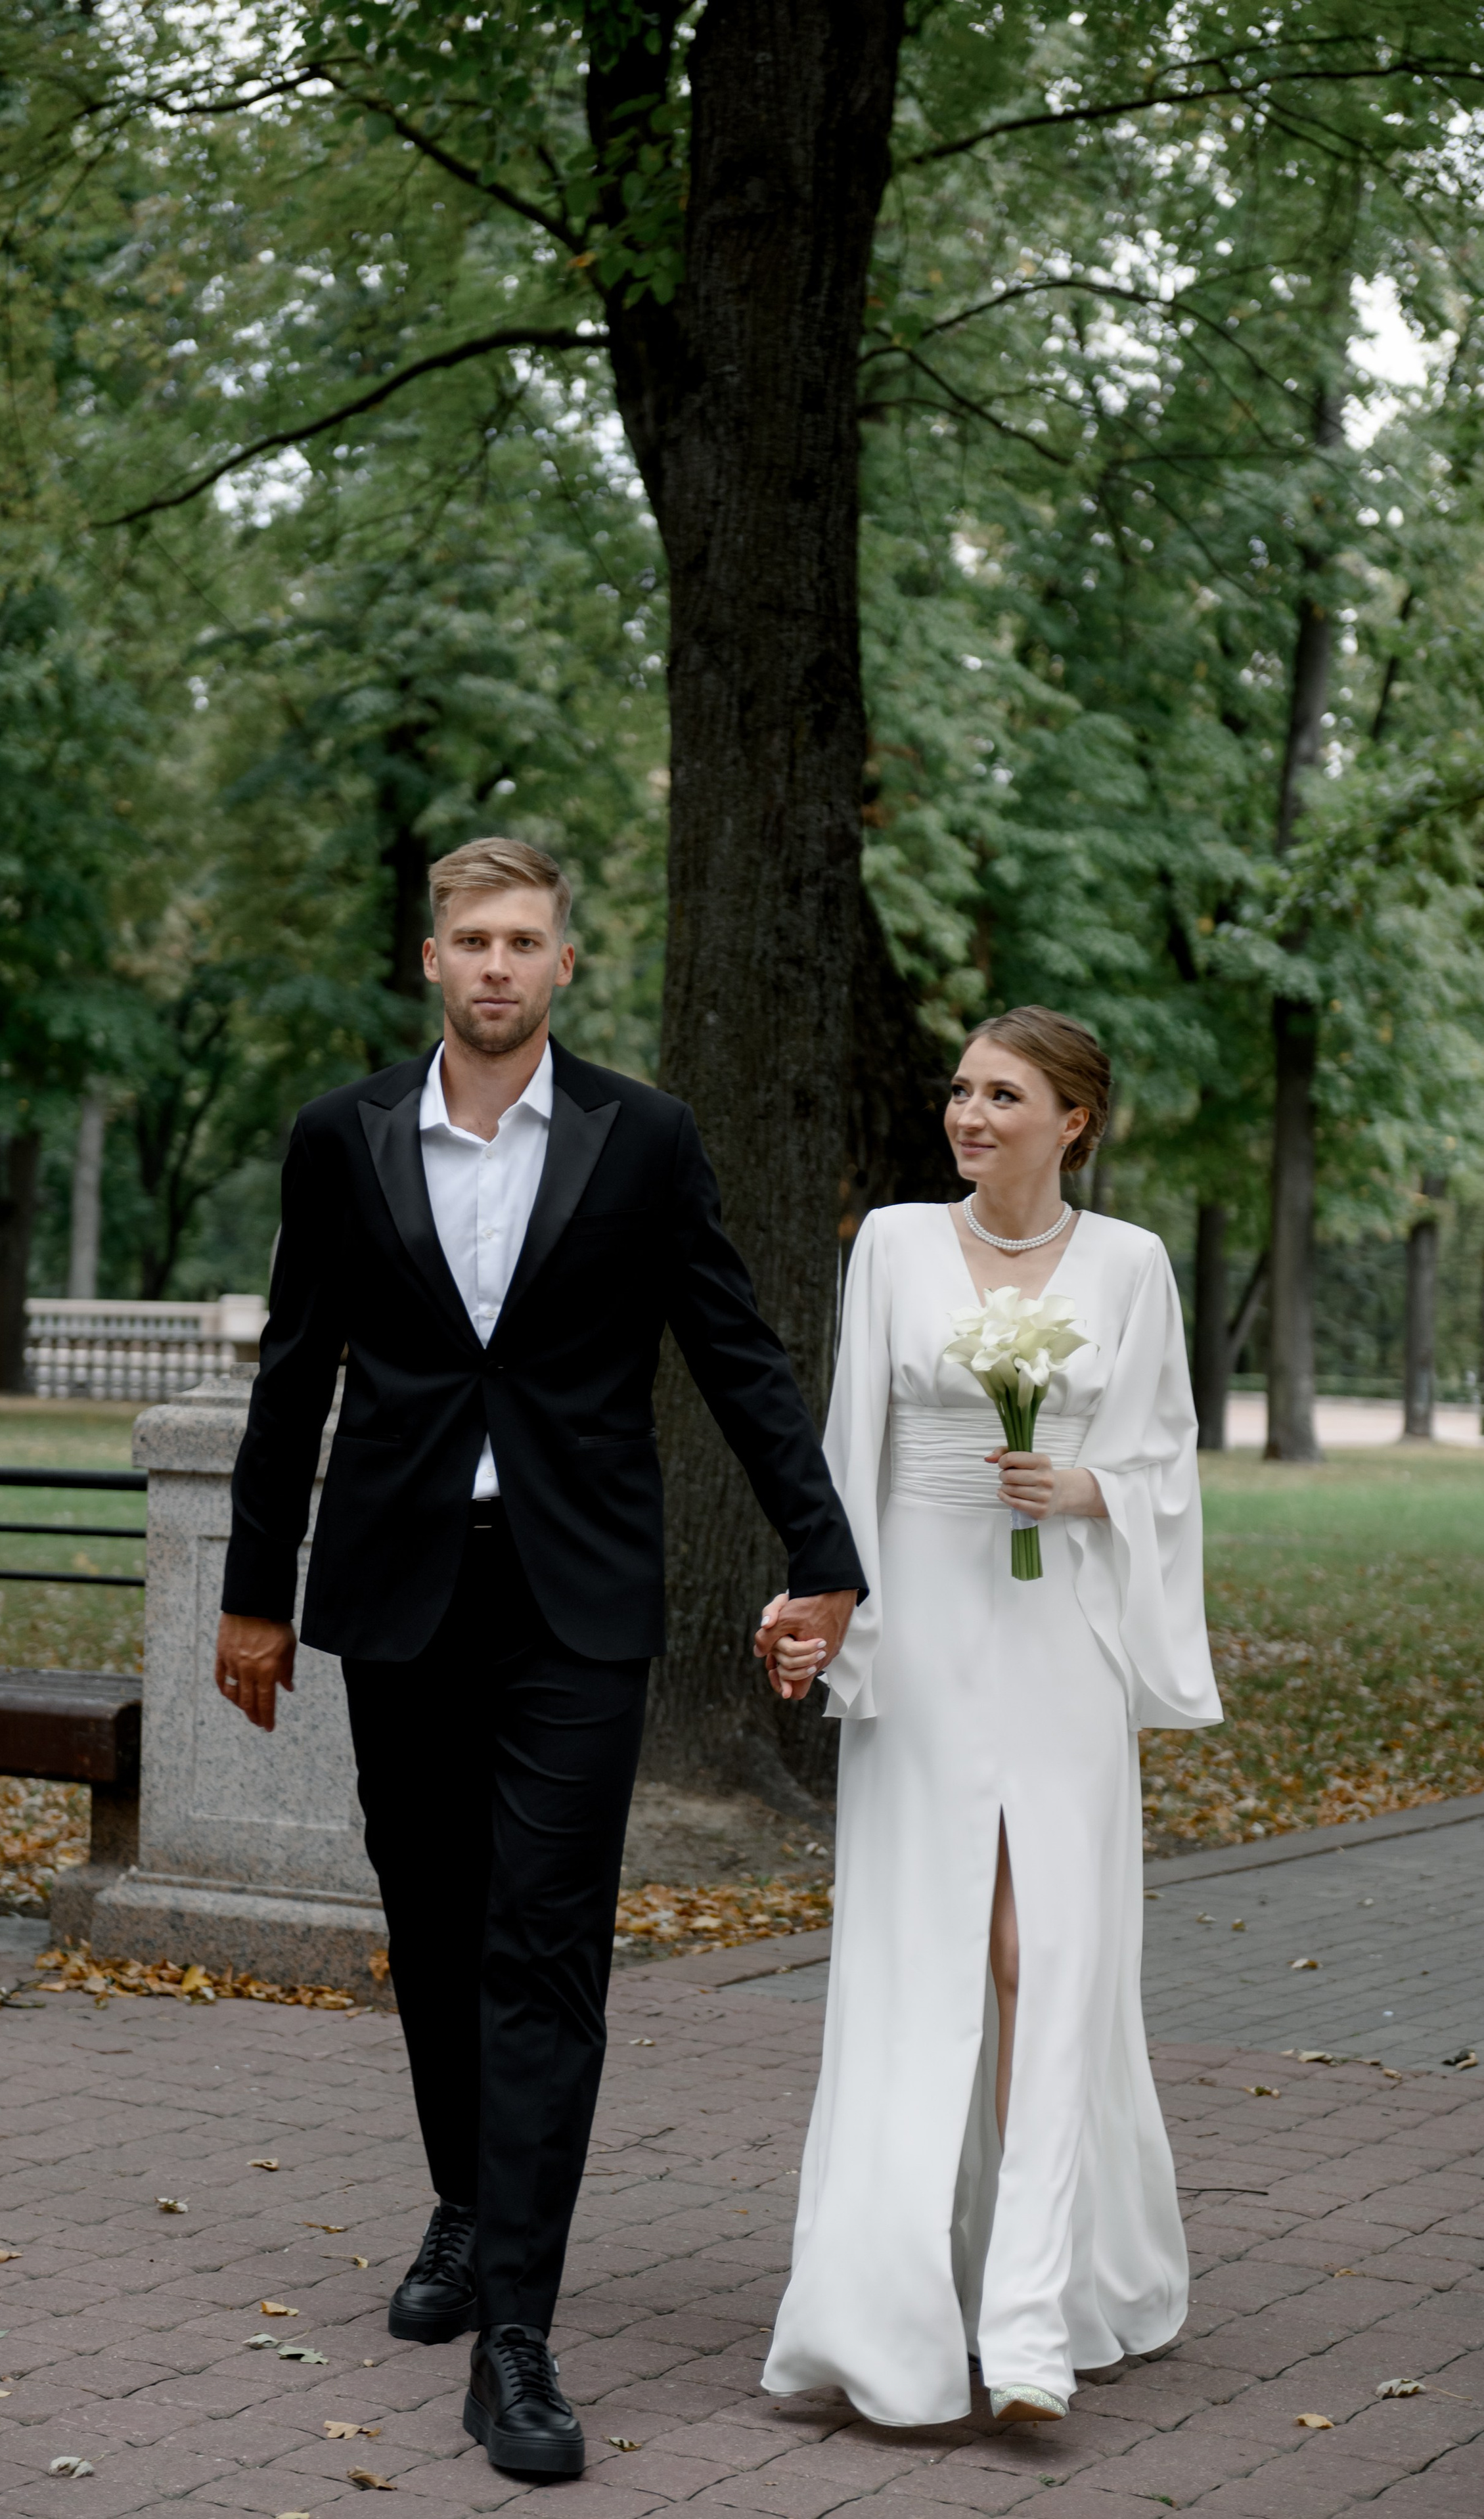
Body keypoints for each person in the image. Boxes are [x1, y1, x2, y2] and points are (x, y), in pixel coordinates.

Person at [212, 835, 864, 2479]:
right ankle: (461, 2200)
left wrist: (823, 1549)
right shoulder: (341, 1139)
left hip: (577, 1603)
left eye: (524, 941)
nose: (496, 966)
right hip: (399, 1594)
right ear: (429, 960)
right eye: (468, 940)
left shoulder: (641, 1138)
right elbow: (296, 1373)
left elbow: (731, 1345)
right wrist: (252, 1592)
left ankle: (518, 2331)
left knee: (546, 1943)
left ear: (566, 963)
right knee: (433, 1931)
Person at [756, 1005, 1219, 2429]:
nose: (967, 1115)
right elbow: (848, 1448)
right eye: (959, 1091)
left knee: (1041, 1955)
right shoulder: (891, 1245)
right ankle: (882, 2301)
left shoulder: (1132, 1266)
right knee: (925, 1953)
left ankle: (1027, 2321)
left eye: (1000, 1095)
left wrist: (1083, 1490)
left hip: (1060, 1636)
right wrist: (822, 1610)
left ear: (1071, 1120)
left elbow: (1161, 1458)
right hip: (930, 1633)